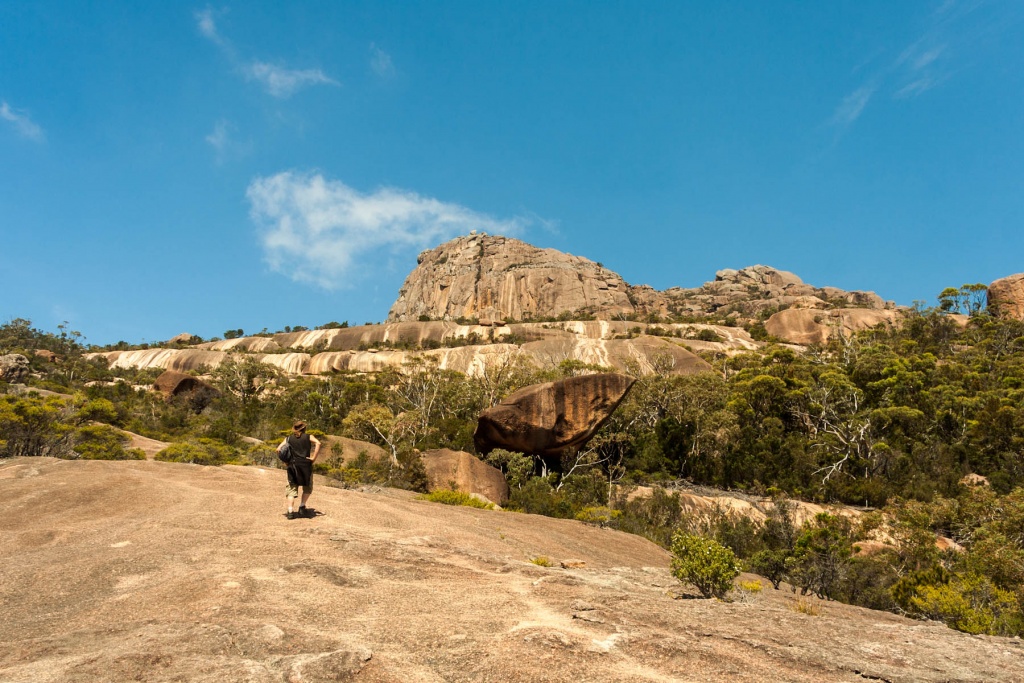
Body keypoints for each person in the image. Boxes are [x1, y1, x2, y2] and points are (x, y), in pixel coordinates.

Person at [278, 420, 321, 519]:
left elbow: (278, 449)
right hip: (305, 464)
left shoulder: (288, 438)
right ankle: (302, 506)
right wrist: (313, 458)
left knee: (291, 488)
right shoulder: (308, 437)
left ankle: (290, 512)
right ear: (304, 428)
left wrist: (286, 461)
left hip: (292, 465)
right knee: (307, 487)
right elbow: (318, 443)